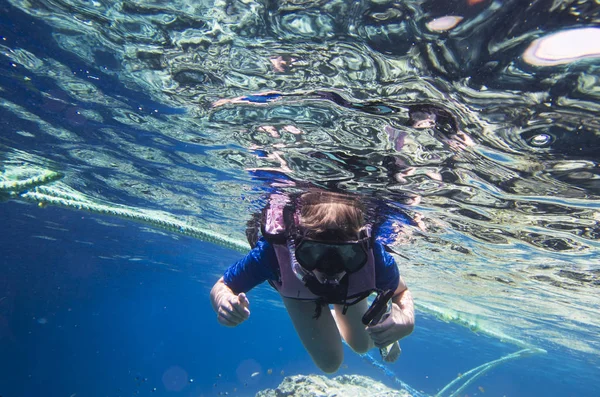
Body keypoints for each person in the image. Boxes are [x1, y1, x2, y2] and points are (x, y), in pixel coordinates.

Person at [210, 190, 415, 373]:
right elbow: (223, 286)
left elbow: (400, 292)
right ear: (295, 245)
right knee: (330, 363)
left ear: (359, 248)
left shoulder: (374, 256)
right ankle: (338, 316)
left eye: (346, 254)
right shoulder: (273, 252)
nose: (330, 270)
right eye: (313, 252)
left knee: (361, 345)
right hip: (300, 288)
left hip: (350, 285)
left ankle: (365, 325)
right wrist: (224, 301)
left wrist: (407, 320)